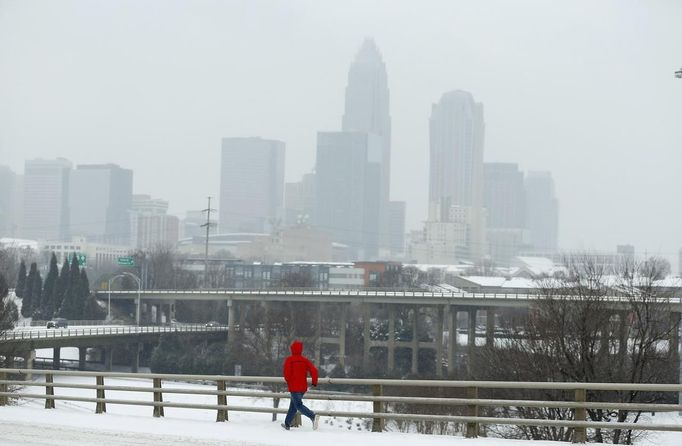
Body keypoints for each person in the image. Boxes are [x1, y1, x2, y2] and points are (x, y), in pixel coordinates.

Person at [282, 340, 319, 430]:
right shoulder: (304, 360)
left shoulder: (289, 360)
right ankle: (287, 423)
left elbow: (286, 374)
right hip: (302, 387)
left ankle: (313, 416)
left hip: (294, 387)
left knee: (298, 405)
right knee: (293, 405)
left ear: (292, 349)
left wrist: (289, 381)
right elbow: (314, 370)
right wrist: (314, 382)